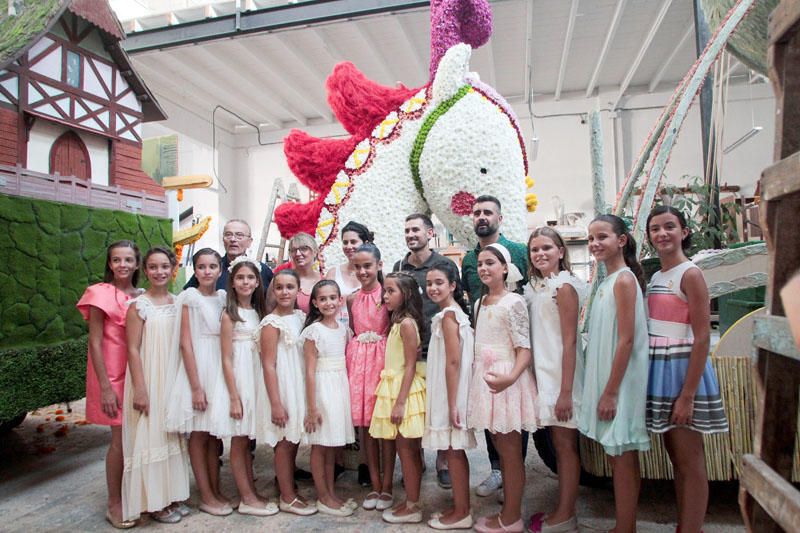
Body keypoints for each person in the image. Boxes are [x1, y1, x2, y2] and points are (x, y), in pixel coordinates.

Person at [645, 206, 729, 533]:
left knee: (690, 460)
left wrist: (688, 395)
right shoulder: (656, 276)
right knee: (676, 459)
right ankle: (685, 525)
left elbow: (702, 335)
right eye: (656, 228)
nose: (662, 234)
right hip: (661, 372)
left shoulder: (690, 274)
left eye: (669, 226)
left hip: (682, 372)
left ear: (684, 231)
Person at [578, 215, 651, 533]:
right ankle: (626, 525)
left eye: (602, 236)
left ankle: (626, 527)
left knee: (622, 453)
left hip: (619, 382)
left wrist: (610, 391)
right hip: (610, 378)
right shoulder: (608, 281)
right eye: (591, 238)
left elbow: (627, 338)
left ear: (621, 240)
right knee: (618, 454)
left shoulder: (623, 280)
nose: (594, 243)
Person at [460, 195, 529, 498]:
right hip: (485, 337)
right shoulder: (466, 260)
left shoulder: (517, 251)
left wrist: (515, 369)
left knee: (512, 426)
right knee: (491, 425)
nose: (481, 217)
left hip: (510, 348)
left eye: (488, 212)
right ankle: (497, 470)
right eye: (476, 213)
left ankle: (514, 476)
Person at [467, 243, 538, 533]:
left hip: (507, 381)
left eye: (491, 263)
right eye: (481, 264)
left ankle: (511, 518)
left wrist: (511, 378)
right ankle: (508, 512)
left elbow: (524, 348)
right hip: (486, 380)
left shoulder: (514, 302)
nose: (484, 268)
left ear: (505, 268)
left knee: (510, 453)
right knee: (498, 447)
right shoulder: (479, 303)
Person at [523, 228, 587, 533]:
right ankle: (563, 507)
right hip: (545, 374)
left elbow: (570, 341)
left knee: (565, 446)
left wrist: (565, 392)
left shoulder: (563, 287)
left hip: (562, 378)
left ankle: (565, 514)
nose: (540, 254)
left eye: (547, 247)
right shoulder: (538, 286)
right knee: (558, 444)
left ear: (561, 251)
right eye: (534, 249)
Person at [122, 247, 190, 523]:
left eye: (165, 266)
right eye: (153, 267)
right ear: (145, 270)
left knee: (172, 435)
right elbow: (133, 349)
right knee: (150, 436)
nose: (159, 272)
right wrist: (140, 387)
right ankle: (153, 503)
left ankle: (172, 495)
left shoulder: (178, 301)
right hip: (149, 377)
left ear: (173, 268)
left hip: (172, 376)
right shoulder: (139, 306)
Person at [77, 240, 142, 529]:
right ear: (109, 264)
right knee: (119, 440)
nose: (123, 265)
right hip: (113, 374)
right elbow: (95, 341)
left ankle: (136, 496)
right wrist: (104, 386)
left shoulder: (142, 295)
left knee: (138, 439)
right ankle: (113, 503)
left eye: (128, 260)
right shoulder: (100, 293)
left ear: (137, 264)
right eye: (117, 260)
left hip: (139, 373)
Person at [392, 214, 459, 489]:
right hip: (411, 348)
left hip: (439, 343)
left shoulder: (444, 264)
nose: (411, 234)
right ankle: (415, 458)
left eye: (416, 230)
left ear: (430, 233)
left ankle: (443, 460)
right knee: (414, 406)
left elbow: (456, 303)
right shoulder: (399, 265)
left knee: (440, 404)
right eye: (407, 230)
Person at [165, 248, 231, 516]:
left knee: (214, 434)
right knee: (198, 432)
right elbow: (185, 343)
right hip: (200, 365)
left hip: (219, 364)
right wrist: (195, 386)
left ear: (220, 270)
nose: (207, 271)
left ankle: (216, 489)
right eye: (201, 267)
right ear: (195, 270)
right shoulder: (188, 298)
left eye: (212, 266)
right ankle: (204, 494)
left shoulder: (224, 297)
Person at [211, 256, 277, 517]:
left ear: (258, 281)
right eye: (240, 278)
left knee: (248, 437)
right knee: (238, 440)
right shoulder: (230, 314)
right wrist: (234, 397)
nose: (246, 282)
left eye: (250, 277)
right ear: (232, 282)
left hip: (255, 377)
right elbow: (226, 358)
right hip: (238, 379)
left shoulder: (259, 312)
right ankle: (246, 497)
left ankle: (251, 489)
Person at [256, 269, 316, 516]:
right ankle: (287, 497)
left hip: (297, 383)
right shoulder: (271, 323)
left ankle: (288, 486)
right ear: (272, 290)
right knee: (284, 441)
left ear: (298, 290)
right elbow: (268, 364)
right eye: (278, 287)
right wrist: (276, 404)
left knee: (293, 440)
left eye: (290, 287)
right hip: (282, 385)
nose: (284, 292)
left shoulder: (302, 316)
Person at [369, 273, 427, 524]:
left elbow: (411, 366)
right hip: (396, 387)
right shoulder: (398, 321)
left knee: (407, 451)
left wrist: (401, 401)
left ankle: (413, 505)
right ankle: (410, 501)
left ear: (407, 295)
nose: (385, 296)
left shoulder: (406, 324)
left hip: (405, 390)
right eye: (385, 291)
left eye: (391, 291)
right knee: (406, 450)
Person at [423, 261, 476, 530]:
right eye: (429, 283)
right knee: (453, 450)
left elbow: (454, 362)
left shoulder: (449, 317)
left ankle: (462, 511)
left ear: (453, 285)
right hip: (450, 388)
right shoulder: (449, 314)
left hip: (450, 391)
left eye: (439, 283)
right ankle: (460, 507)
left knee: (454, 450)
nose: (432, 288)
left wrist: (454, 403)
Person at [301, 280, 358, 517]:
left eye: (332, 298)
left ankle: (331, 493)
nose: (328, 303)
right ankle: (322, 496)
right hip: (322, 389)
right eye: (322, 299)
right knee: (320, 445)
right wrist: (312, 407)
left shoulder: (343, 330)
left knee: (333, 445)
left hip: (339, 388)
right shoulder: (313, 332)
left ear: (340, 300)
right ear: (314, 303)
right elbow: (310, 372)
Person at [345, 243, 393, 510]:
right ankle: (374, 485)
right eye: (358, 267)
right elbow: (353, 330)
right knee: (365, 430)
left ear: (379, 265)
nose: (362, 271)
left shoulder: (387, 295)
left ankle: (387, 487)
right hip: (358, 364)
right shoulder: (351, 298)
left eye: (367, 266)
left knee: (384, 427)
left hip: (382, 362)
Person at [184, 219, 273, 294]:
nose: (233, 239)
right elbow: (187, 295)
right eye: (228, 235)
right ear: (223, 240)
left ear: (249, 242)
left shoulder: (262, 270)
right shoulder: (212, 268)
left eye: (239, 235)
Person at [325, 221, 374, 326]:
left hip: (366, 333)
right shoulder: (333, 273)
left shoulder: (375, 274)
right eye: (345, 242)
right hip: (337, 332)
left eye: (353, 242)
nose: (348, 246)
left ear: (365, 243)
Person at [268, 232, 321, 313]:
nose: (298, 254)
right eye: (293, 250)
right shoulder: (280, 280)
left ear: (315, 252)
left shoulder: (323, 281)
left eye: (304, 248)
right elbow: (269, 310)